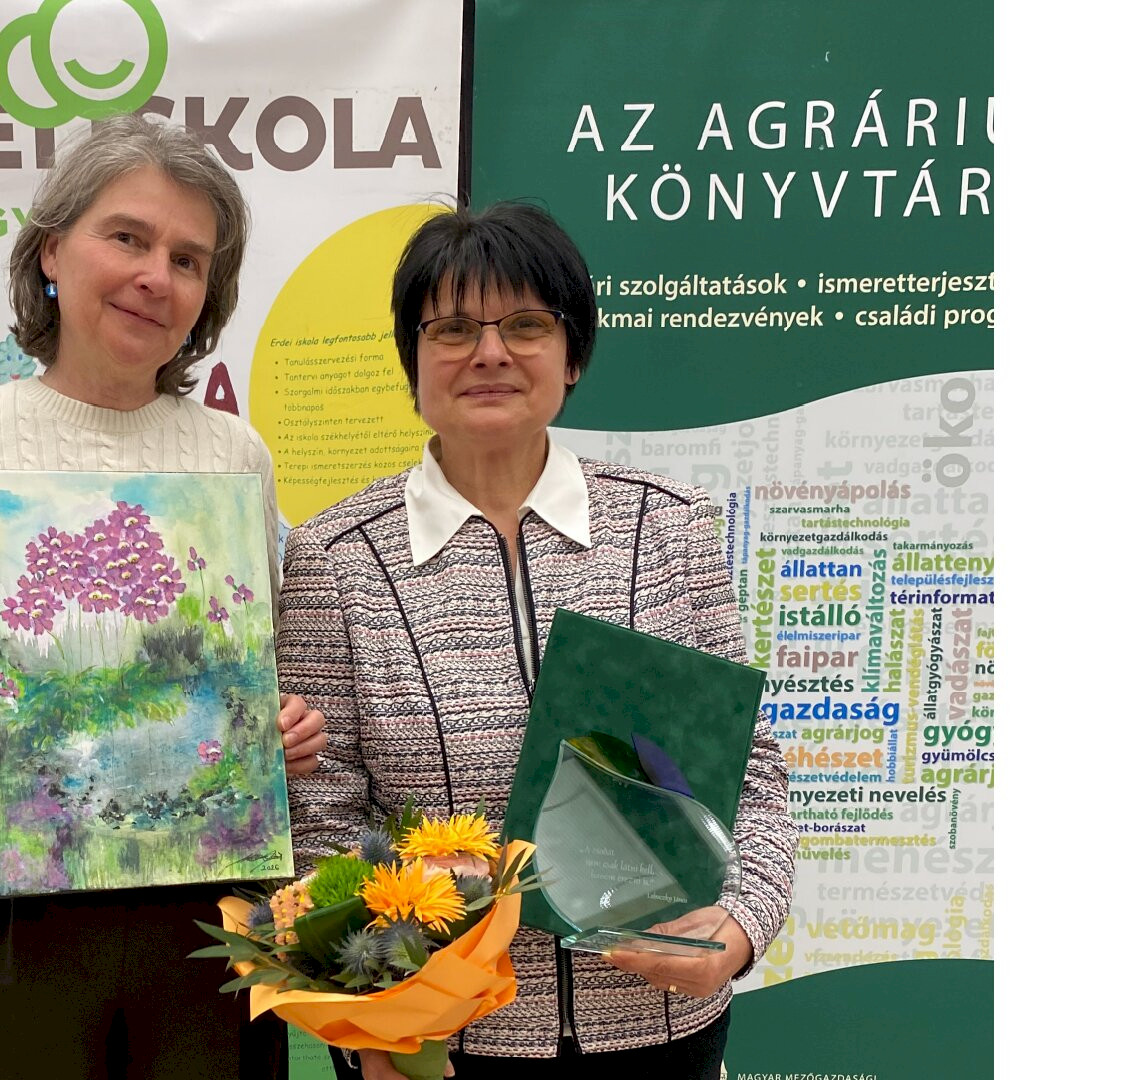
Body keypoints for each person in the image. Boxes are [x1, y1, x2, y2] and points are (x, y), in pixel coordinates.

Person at [0, 114, 326, 1080]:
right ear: (51, 250)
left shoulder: (234, 453)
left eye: (188, 259)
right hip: (3, 917)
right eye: (127, 237)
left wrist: (278, 722)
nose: (156, 276)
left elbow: (244, 655)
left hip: (207, 911)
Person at [278, 202, 796, 1080]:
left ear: (573, 353)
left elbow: (752, 776)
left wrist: (741, 925)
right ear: (412, 362)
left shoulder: (669, 528)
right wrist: (376, 1017)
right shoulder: (338, 559)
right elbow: (318, 818)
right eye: (452, 329)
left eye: (525, 325)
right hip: (442, 1042)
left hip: (660, 1024)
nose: (489, 353)